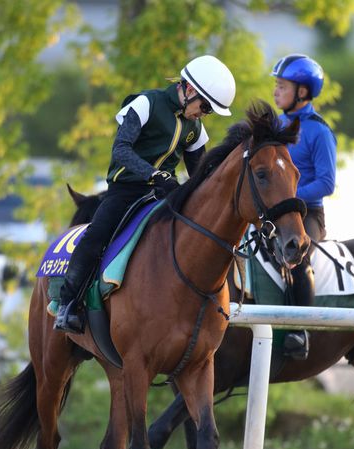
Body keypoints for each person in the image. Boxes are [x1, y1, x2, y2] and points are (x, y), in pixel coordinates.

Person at [54, 55, 236, 333]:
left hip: (165, 195)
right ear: (188, 90)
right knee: (97, 235)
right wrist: (154, 175)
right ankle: (66, 305)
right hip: (125, 190)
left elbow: (201, 175)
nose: (204, 114)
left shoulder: (195, 129)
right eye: (205, 106)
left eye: (209, 111)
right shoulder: (145, 104)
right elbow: (121, 150)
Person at [271, 53, 337, 360]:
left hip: (308, 215)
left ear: (302, 92)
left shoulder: (320, 131)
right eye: (276, 86)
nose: (275, 92)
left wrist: (291, 199)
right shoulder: (275, 125)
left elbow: (326, 183)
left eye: (282, 86)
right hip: (275, 211)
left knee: (298, 258)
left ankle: (299, 331)